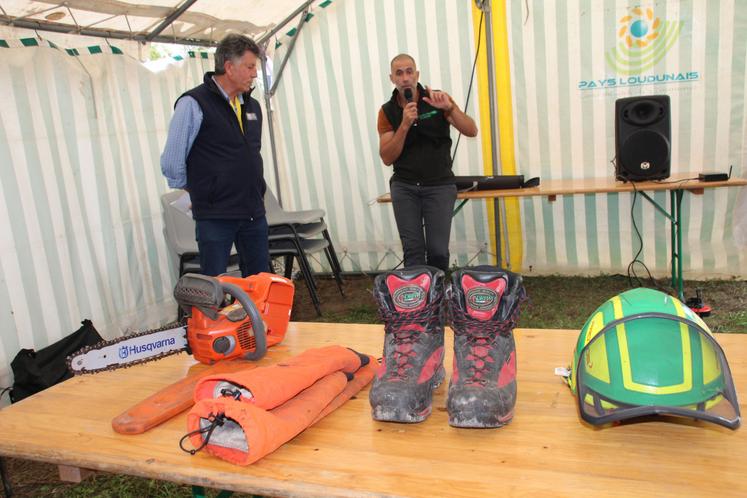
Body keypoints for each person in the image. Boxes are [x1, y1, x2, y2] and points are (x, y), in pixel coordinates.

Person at [161, 34, 268, 277]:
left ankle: (255, 318)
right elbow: (171, 162)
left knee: (260, 283)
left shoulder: (252, 106)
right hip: (215, 215)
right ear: (229, 67)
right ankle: (213, 317)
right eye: (250, 67)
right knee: (214, 285)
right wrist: (203, 190)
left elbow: (250, 155)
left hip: (253, 211)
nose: (254, 74)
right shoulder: (193, 103)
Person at [377, 53, 478, 272]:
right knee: (413, 251)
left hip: (439, 185)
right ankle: (417, 303)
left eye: (409, 71)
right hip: (405, 187)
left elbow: (471, 130)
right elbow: (387, 157)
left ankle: (438, 298)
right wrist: (404, 125)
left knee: (438, 251)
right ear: (392, 78)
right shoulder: (387, 111)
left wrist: (449, 109)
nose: (405, 78)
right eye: (399, 73)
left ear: (417, 74)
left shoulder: (438, 98)